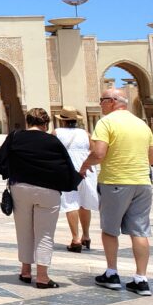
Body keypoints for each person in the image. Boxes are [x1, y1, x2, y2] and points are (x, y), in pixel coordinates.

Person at [0, 107, 82, 289]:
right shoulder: (53, 141)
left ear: (27, 122)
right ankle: (42, 276)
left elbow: (0, 162)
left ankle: (25, 271)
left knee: (24, 230)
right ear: (46, 124)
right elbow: (65, 167)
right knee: (45, 234)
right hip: (48, 192)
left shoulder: (15, 137)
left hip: (21, 189)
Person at [79, 88, 153, 296]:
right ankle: (141, 279)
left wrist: (84, 166)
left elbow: (98, 153)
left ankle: (112, 273)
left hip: (115, 182)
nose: (101, 104)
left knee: (110, 229)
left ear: (113, 101)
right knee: (139, 231)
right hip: (142, 183)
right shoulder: (142, 125)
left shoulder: (106, 123)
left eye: (103, 100)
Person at [54, 107, 99, 252]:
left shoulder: (57, 133)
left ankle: (76, 239)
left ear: (62, 120)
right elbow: (94, 151)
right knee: (84, 203)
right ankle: (86, 236)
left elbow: (51, 150)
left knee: (70, 202)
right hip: (86, 171)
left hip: (68, 170)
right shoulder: (86, 134)